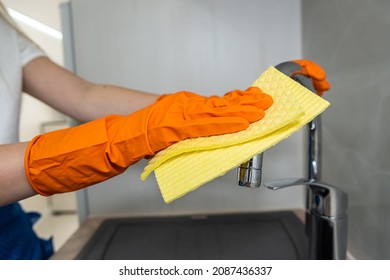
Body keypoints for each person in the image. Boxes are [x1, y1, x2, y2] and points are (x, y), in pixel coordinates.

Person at [0, 3, 276, 259]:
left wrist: (198, 109)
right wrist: (119, 138)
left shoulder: (6, 30)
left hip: (12, 227)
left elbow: (84, 96)